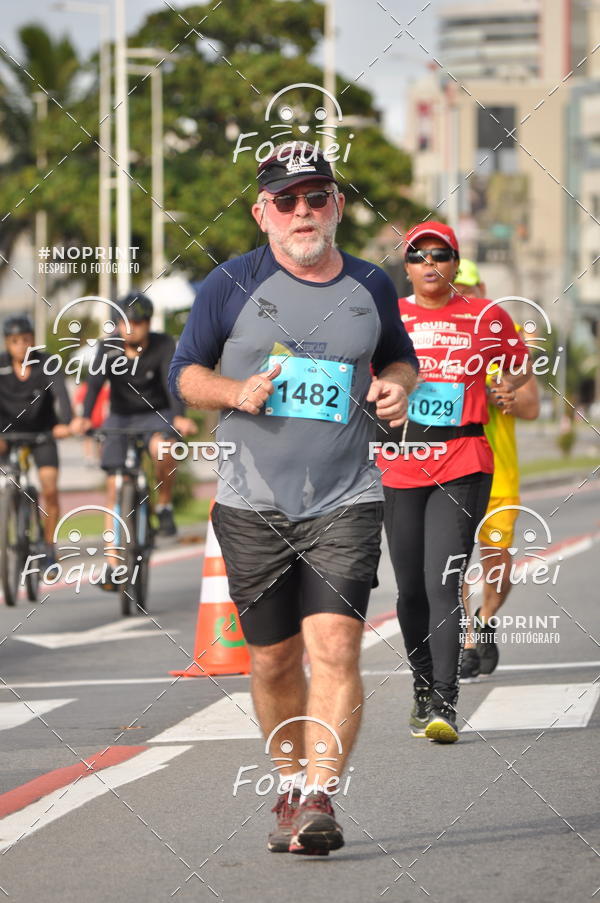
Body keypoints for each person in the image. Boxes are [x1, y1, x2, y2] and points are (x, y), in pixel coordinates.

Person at [168, 143, 418, 855]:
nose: (303, 211)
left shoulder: (371, 283)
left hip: (346, 496)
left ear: (337, 205)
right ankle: (286, 779)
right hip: (252, 503)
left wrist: (400, 383)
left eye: (316, 197)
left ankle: (319, 794)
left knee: (335, 645)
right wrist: (231, 392)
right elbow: (185, 372)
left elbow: (400, 354)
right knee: (274, 660)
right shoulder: (230, 283)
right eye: (287, 200)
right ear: (262, 212)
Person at [377, 222, 531, 744]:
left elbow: (520, 368)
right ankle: (422, 689)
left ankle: (445, 702)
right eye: (417, 255)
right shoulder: (390, 315)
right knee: (410, 590)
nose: (428, 264)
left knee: (443, 581)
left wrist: (509, 387)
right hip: (399, 463)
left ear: (453, 261)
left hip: (463, 460)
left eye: (439, 255)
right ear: (407, 265)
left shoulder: (486, 316)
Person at [453, 260, 540, 679]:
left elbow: (532, 406)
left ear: (483, 288)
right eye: (456, 288)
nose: (463, 294)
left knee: (497, 567)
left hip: (499, 474)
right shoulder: (438, 341)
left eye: (469, 287)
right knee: (449, 562)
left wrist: (506, 395)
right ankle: (468, 639)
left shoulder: (504, 341)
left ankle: (486, 618)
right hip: (450, 469)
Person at [72, 293, 196, 584]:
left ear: (147, 323)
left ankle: (164, 505)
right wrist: (85, 417)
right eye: (124, 323)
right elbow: (93, 385)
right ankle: (113, 564)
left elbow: (172, 383)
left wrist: (178, 416)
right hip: (121, 417)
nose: (130, 329)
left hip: (157, 412)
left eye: (137, 323)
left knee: (164, 448)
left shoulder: (164, 344)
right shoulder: (108, 348)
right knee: (114, 487)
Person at [0, 313, 73, 563]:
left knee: (50, 489)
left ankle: (49, 547)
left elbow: (63, 397)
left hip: (43, 434)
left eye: (26, 339)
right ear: (7, 344)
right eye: (14, 341)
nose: (21, 345)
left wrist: (66, 423)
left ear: (33, 340)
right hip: (6, 436)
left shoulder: (47, 362)